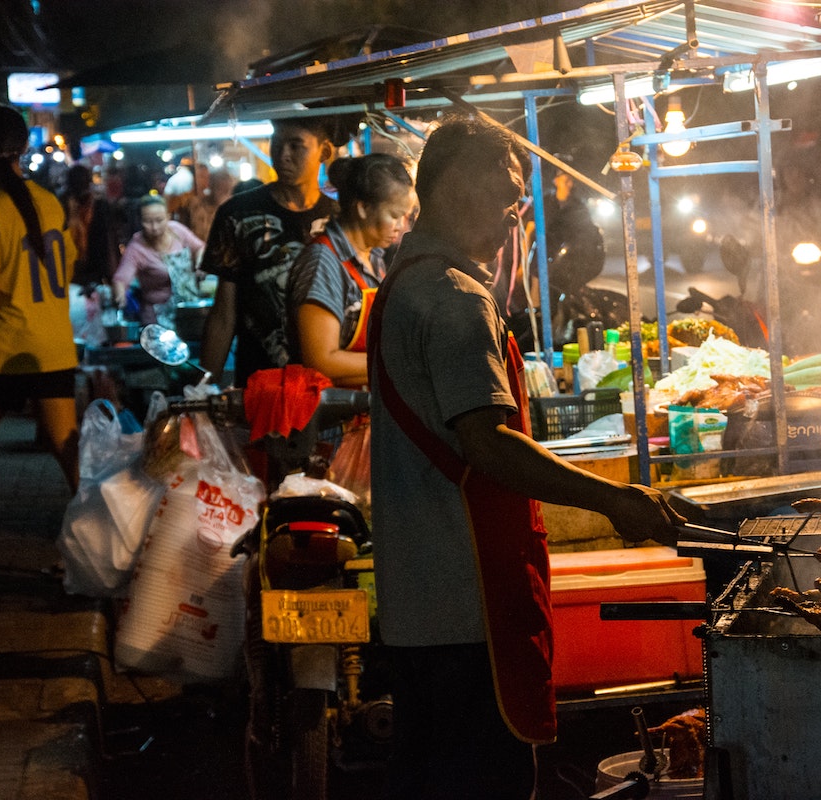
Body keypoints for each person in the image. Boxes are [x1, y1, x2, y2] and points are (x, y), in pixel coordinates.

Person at [367, 113, 684, 799]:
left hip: (423, 604)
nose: (516, 218)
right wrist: (614, 498)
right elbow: (487, 442)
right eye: (508, 196)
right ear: (453, 191)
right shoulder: (453, 298)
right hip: (466, 601)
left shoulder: (407, 280)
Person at [0, 104, 80, 582]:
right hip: (53, 345)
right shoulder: (51, 203)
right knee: (69, 457)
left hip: (6, 350)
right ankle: (105, 544)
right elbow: (66, 268)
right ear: (24, 146)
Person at [198, 118, 338, 386]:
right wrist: (204, 390)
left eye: (296, 146)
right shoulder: (237, 215)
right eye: (277, 144)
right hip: (261, 386)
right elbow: (224, 313)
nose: (283, 155)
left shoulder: (339, 219)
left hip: (328, 388)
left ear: (324, 151)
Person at [285, 153, 415, 388]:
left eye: (405, 216)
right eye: (395, 215)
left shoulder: (373, 257)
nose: (401, 226)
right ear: (363, 207)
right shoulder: (322, 262)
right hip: (330, 418)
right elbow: (321, 361)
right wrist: (401, 364)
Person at [111, 195, 205, 326]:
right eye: (148, 221)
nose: (154, 227)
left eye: (159, 220)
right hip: (158, 320)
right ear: (140, 221)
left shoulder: (177, 231)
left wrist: (201, 263)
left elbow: (200, 247)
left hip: (188, 311)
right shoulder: (137, 247)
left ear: (167, 216)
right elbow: (121, 279)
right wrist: (119, 296)